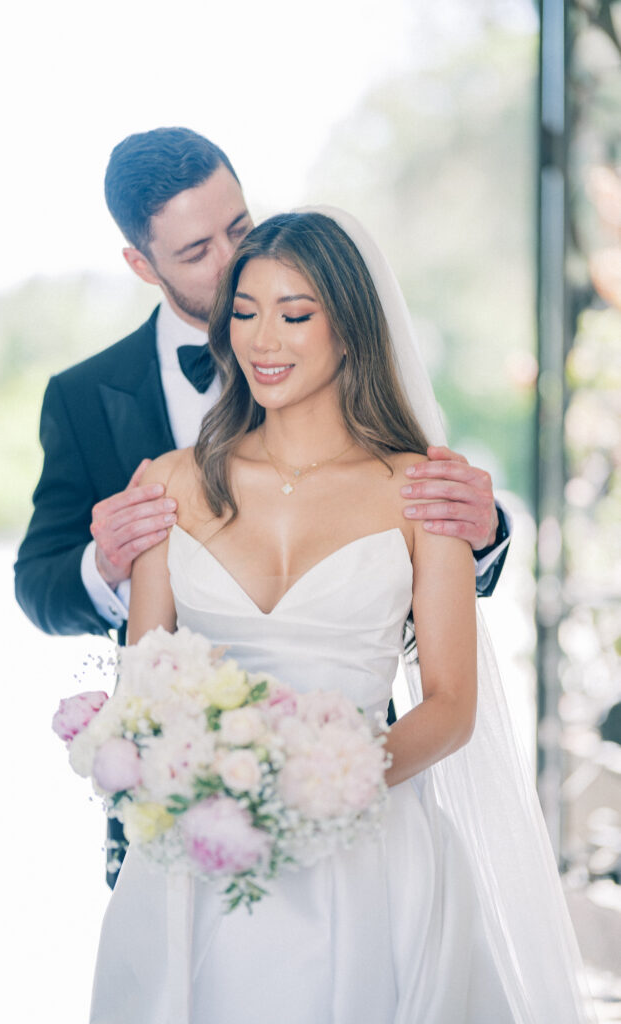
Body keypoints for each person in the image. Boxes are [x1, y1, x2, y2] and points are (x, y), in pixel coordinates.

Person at [89, 211, 593, 1023]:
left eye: (295, 315)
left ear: (352, 329)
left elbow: (452, 706)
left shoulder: (422, 490)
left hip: (373, 855)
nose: (264, 340)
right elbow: (142, 687)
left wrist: (326, 787)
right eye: (245, 312)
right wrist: (210, 788)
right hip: (199, 861)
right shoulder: (171, 483)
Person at [15, 127, 511, 885]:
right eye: (195, 252)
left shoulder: (397, 465)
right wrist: (106, 559)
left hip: (365, 822)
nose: (228, 263)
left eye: (237, 228)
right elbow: (43, 589)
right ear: (141, 265)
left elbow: (443, 677)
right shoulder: (87, 402)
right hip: (184, 823)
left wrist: (487, 531)